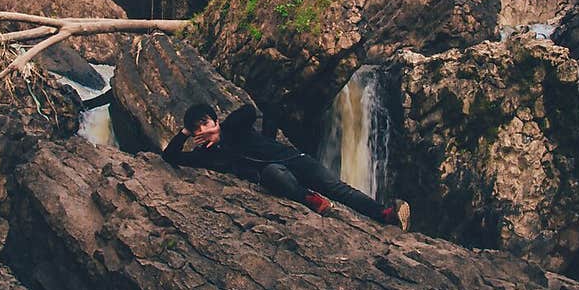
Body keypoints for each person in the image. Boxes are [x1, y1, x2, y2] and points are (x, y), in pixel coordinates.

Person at [162, 100, 410, 229]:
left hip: (294, 159)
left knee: (337, 187)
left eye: (206, 123)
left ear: (215, 120)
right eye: (198, 129)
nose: (203, 130)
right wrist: (183, 132)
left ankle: (384, 214)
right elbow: (170, 157)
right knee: (272, 173)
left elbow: (249, 111)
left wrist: (221, 127)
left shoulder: (235, 128)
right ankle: (309, 199)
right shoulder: (205, 155)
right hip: (275, 176)